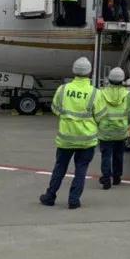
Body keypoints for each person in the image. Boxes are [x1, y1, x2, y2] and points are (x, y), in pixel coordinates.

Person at [40, 57, 100, 209]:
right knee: (81, 170)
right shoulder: (95, 93)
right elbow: (101, 116)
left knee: (60, 168)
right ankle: (74, 200)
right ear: (89, 72)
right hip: (86, 140)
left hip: (65, 139)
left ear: (74, 71)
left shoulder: (63, 89)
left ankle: (50, 196)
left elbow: (55, 109)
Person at [96, 67, 130, 189]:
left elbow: (96, 111)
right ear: (122, 80)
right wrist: (126, 122)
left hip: (105, 130)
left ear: (109, 79)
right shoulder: (128, 94)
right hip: (121, 130)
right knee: (118, 155)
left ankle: (106, 179)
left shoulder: (101, 93)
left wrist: (98, 124)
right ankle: (116, 177)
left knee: (106, 155)